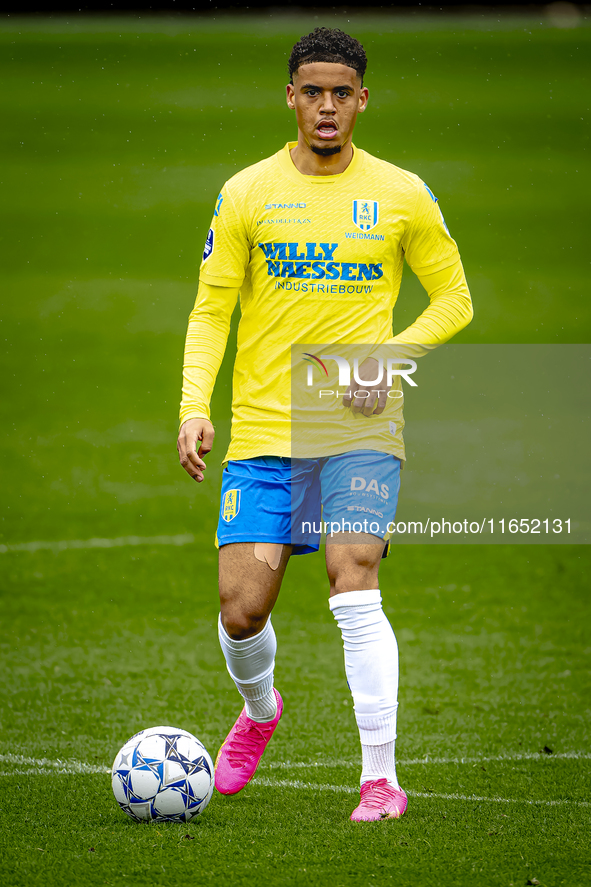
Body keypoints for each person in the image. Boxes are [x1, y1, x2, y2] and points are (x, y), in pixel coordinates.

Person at [177, 27, 472, 822]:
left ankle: (380, 778)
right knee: (241, 611)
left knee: (354, 576)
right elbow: (211, 310)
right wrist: (193, 405)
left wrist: (388, 354)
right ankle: (262, 709)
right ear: (291, 98)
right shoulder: (246, 192)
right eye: (313, 91)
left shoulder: (402, 193)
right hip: (269, 428)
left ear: (362, 99)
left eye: (342, 92)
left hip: (357, 427)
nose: (328, 107)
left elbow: (455, 298)